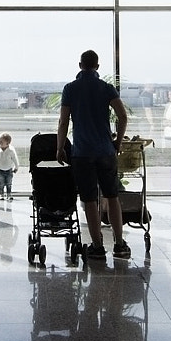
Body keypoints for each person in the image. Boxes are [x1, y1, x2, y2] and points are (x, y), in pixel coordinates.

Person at [56, 49, 131, 260]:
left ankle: (97, 246)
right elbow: (123, 116)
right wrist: (117, 142)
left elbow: (63, 122)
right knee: (112, 196)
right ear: (97, 67)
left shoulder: (70, 89)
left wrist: (60, 147)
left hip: (81, 153)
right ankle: (119, 243)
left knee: (89, 200)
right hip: (106, 151)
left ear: (80, 65)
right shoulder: (106, 88)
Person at [0, 131, 19, 202]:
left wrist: (16, 167)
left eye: (1, 142)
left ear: (7, 143)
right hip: (1, 170)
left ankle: (9, 194)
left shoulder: (10, 151)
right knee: (1, 184)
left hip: (9, 170)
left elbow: (15, 159)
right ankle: (1, 194)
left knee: (9, 184)